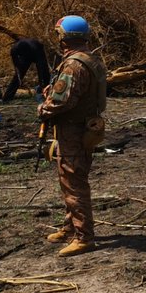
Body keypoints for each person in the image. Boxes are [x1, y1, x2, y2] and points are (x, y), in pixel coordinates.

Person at [38, 15, 108, 257]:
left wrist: (43, 109)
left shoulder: (73, 64)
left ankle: (84, 237)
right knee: (70, 180)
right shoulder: (90, 59)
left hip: (73, 130)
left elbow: (62, 101)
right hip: (85, 128)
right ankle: (70, 228)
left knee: (74, 182)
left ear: (63, 37)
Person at [2, 37, 51, 102]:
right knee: (17, 77)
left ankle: (46, 95)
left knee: (44, 75)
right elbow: (16, 64)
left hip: (37, 52)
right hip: (25, 56)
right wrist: (18, 74)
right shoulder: (14, 49)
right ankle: (7, 98)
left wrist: (42, 83)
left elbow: (41, 68)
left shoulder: (36, 48)